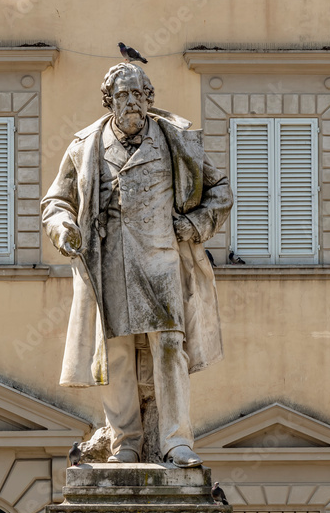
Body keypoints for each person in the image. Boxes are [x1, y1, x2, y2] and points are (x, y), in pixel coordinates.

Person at [41, 62, 232, 466]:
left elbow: (220, 190)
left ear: (149, 99)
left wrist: (195, 224)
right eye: (122, 95)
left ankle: (176, 441)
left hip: (161, 260)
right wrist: (63, 229)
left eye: (138, 95)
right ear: (109, 101)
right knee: (116, 352)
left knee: (168, 348)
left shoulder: (176, 141)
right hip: (109, 262)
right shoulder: (85, 146)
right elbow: (56, 202)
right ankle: (126, 440)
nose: (131, 102)